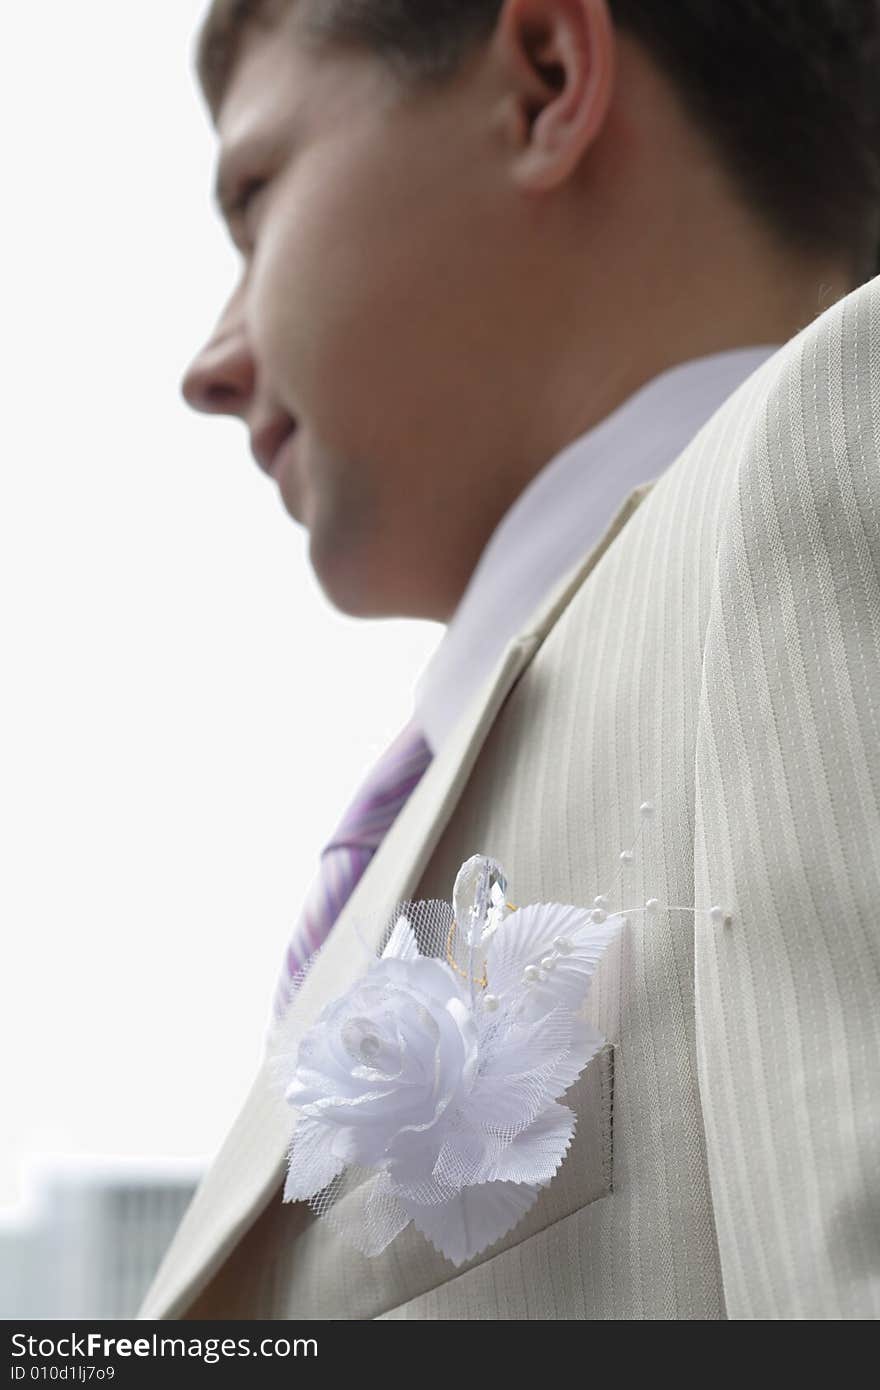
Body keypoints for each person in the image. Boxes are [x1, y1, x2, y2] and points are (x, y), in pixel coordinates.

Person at [139, 0, 880, 1319]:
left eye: (254, 199)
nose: (209, 361)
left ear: (543, 79)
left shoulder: (834, 475)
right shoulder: (480, 748)